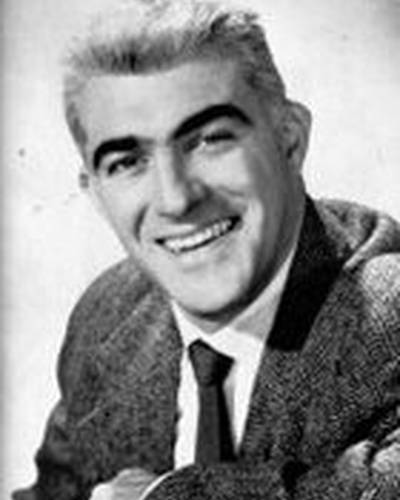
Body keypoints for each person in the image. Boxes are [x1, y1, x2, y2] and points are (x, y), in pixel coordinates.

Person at [13, 0, 400, 498]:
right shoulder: (108, 314)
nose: (176, 198)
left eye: (210, 140)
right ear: (95, 193)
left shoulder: (386, 313)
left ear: (290, 139)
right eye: (127, 162)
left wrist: (164, 496)